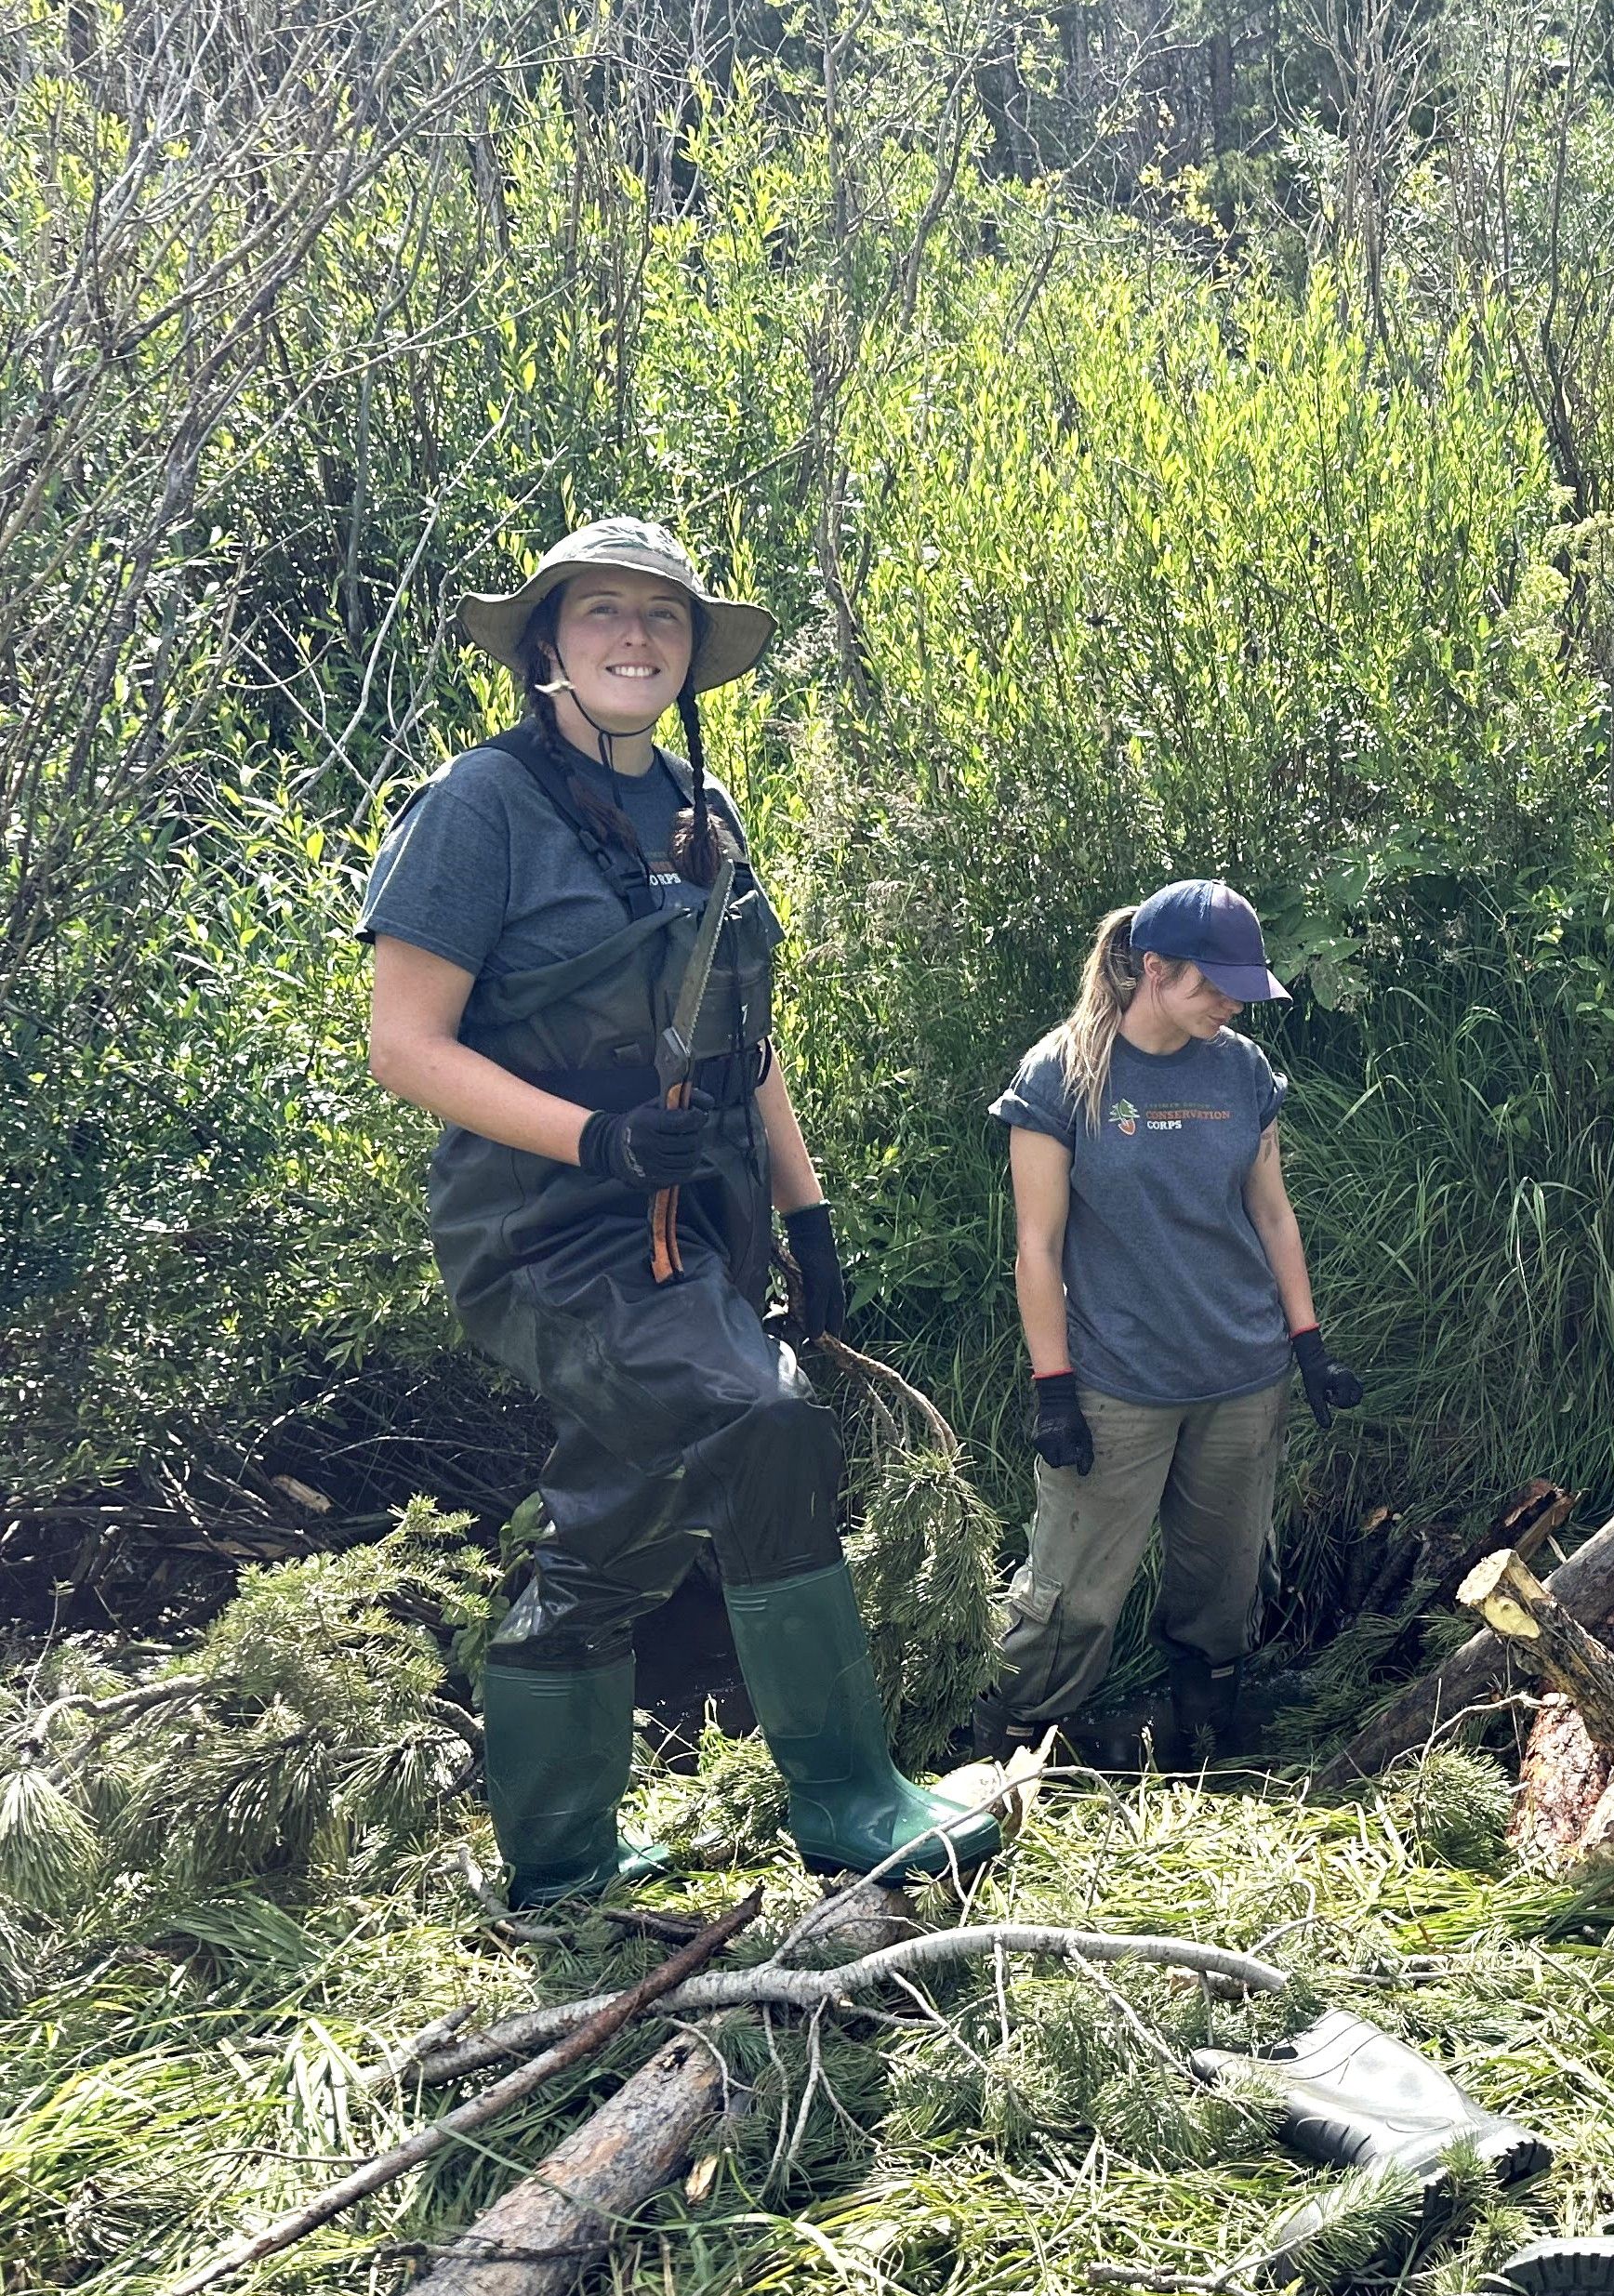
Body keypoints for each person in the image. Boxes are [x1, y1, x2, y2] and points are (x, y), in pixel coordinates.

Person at [364, 518, 1001, 1908]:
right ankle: (848, 1797)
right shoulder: (480, 805)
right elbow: (406, 1047)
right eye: (602, 612)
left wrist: (807, 1211)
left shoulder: (699, 815)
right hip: (547, 1235)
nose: (634, 638)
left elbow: (743, 1040)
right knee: (759, 1420)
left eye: (661, 617)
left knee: (620, 1516)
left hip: (698, 1228)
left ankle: (557, 1860)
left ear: (691, 656)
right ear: (548, 643)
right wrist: (596, 1136)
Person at [977, 881, 1362, 1763]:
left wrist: (1308, 1345)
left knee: (1224, 1580)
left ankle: (1204, 1739)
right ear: (1154, 970)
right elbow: (1036, 1246)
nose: (1230, 1004)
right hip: (1118, 1384)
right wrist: (1054, 1390)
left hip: (1243, 1377)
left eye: (1239, 988)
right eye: (1213, 986)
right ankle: (1008, 1745)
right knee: (1073, 1591)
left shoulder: (1241, 1071)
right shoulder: (1062, 1075)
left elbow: (1272, 1216)